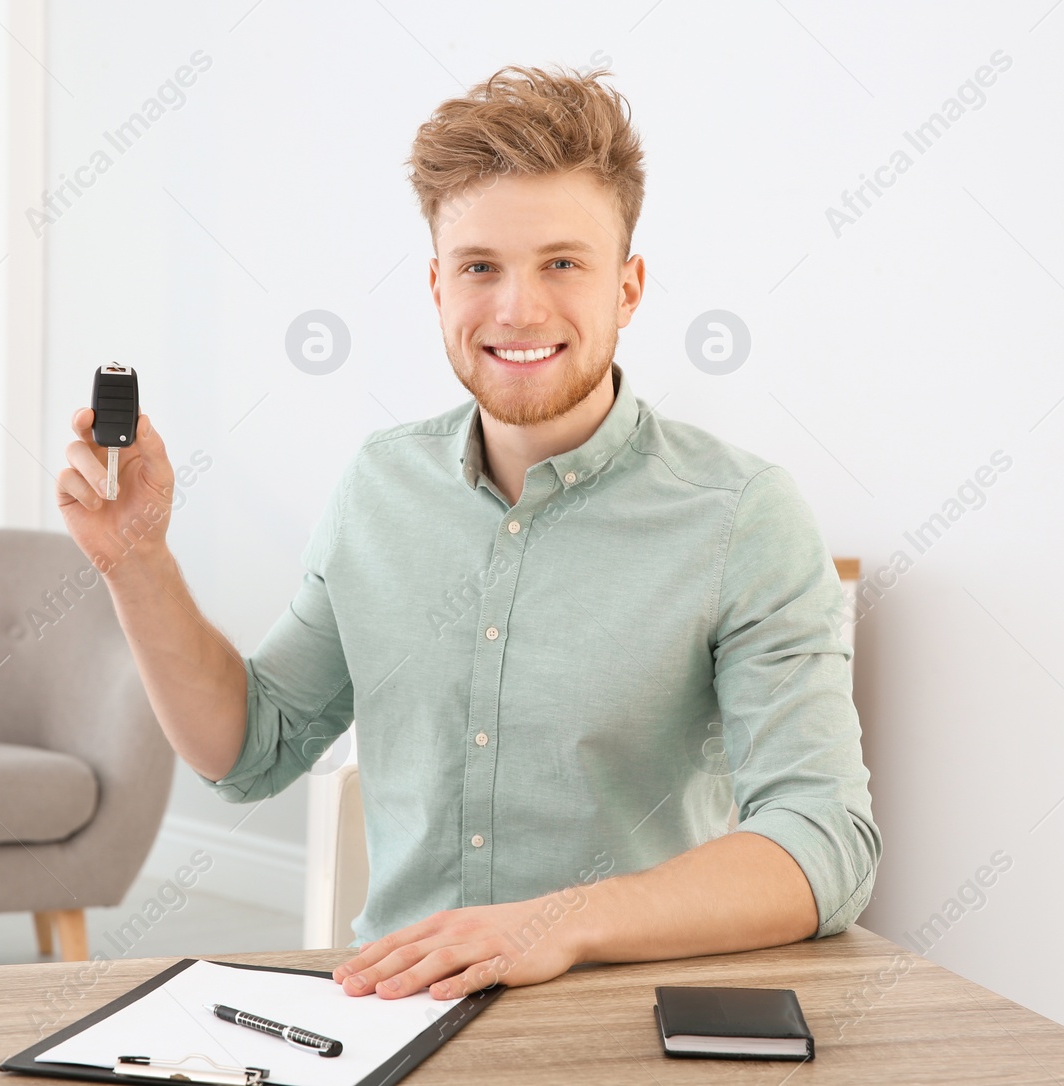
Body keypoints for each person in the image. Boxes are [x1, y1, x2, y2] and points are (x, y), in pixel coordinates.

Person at [56, 64, 879, 1003]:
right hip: (391, 1014)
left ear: (629, 287)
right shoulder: (378, 486)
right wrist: (136, 562)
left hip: (626, 1020)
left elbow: (825, 840)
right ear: (437, 285)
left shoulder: (742, 515)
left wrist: (559, 925)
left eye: (563, 263)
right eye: (481, 266)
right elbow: (249, 752)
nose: (518, 309)